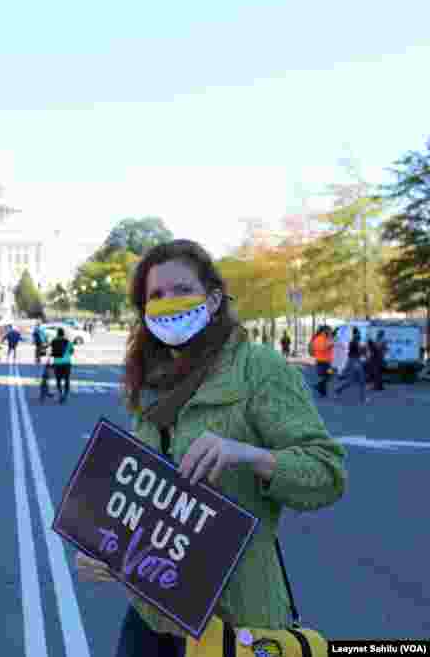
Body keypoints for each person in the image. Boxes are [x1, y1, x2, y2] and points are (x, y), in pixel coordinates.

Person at [75, 239, 346, 656]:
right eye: (156, 295)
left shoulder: (259, 368)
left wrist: (251, 455)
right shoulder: (151, 383)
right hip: (152, 619)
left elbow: (327, 475)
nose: (168, 303)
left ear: (214, 298)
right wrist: (112, 549)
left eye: (182, 289)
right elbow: (151, 503)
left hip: (236, 622)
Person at [334, 327, 368, 404]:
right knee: (359, 380)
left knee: (356, 380)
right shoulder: (354, 340)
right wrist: (364, 349)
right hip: (355, 361)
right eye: (359, 333)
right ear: (356, 333)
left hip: (354, 361)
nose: (360, 334)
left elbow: (358, 350)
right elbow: (359, 351)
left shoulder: (354, 340)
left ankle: (338, 390)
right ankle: (363, 398)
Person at [48, 327, 75, 403]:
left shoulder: (53, 341)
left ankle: (60, 393)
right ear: (63, 334)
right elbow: (72, 352)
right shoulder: (68, 342)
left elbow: (50, 351)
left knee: (58, 380)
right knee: (67, 379)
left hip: (57, 363)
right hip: (66, 363)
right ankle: (65, 395)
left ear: (57, 333)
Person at [309, 325, 334, 397]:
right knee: (329, 375)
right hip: (322, 362)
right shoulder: (319, 339)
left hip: (326, 361)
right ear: (324, 331)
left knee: (326, 376)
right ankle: (319, 386)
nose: (330, 332)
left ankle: (322, 392)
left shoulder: (326, 338)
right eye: (329, 330)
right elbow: (322, 348)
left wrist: (330, 343)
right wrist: (329, 345)